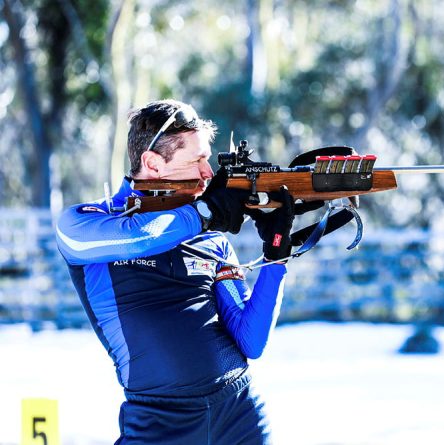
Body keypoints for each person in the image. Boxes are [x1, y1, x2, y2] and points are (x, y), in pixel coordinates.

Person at [55, 99, 306, 444]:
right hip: (158, 423)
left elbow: (251, 339)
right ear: (152, 163)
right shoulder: (86, 223)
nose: (208, 173)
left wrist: (275, 256)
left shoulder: (212, 238)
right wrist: (203, 213)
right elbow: (140, 238)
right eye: (197, 160)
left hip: (239, 414)